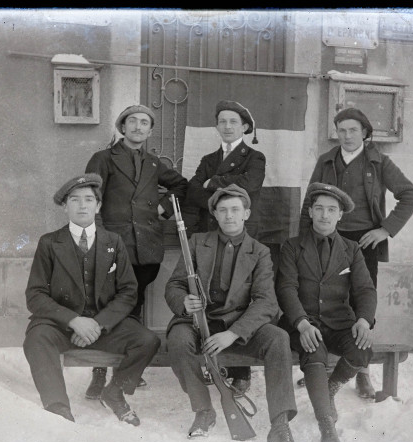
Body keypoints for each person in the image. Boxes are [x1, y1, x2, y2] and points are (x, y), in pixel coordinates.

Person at [164, 184, 301, 442]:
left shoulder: (260, 252)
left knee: (278, 338)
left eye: (235, 210)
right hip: (195, 323)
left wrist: (234, 333)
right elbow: (174, 285)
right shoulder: (195, 242)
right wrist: (183, 302)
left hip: (236, 326)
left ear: (246, 213)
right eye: (223, 210)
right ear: (214, 214)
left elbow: (266, 302)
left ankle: (280, 425)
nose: (229, 216)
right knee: (178, 341)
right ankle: (203, 411)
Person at [298, 107, 413, 398]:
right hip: (327, 238)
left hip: (364, 243)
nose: (347, 135)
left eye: (353, 130)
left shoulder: (379, 162)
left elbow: (411, 195)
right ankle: (324, 366)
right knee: (324, 299)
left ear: (365, 133)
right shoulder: (326, 161)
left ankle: (361, 372)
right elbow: (308, 204)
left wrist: (385, 230)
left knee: (360, 303)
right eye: (342, 130)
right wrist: (306, 240)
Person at [24, 173, 161, 425]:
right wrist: (73, 320)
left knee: (147, 340)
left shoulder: (113, 241)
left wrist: (97, 324)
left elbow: (129, 291)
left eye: (89, 199)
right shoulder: (49, 243)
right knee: (36, 338)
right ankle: (58, 410)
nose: (82, 205)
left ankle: (115, 391)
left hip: (104, 326)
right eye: (75, 200)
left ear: (98, 206)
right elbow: (35, 295)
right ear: (65, 207)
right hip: (62, 327)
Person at [84, 104, 188, 398]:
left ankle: (127, 369)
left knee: (135, 304)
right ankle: (99, 372)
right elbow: (91, 197)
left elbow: (181, 186)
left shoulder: (154, 164)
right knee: (108, 306)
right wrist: (99, 238)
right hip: (113, 247)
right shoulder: (103, 158)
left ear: (150, 131)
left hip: (146, 249)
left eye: (144, 123)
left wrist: (162, 208)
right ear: (122, 126)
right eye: (133, 122)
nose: (138, 127)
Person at [276, 183, 377, 442]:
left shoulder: (351, 249)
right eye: (319, 208)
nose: (324, 215)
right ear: (310, 211)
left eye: (331, 210)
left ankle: (332, 386)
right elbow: (286, 288)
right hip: (305, 322)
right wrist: (301, 322)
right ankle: (327, 427)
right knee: (313, 353)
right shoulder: (292, 247)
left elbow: (365, 289)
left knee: (362, 349)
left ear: (340, 215)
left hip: (340, 321)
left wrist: (364, 320)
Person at [184, 100, 266, 396]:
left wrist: (213, 182)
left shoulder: (255, 158)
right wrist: (209, 185)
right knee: (211, 295)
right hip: (210, 233)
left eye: (233, 121)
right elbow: (193, 192)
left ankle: (241, 372)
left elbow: (250, 186)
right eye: (222, 121)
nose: (227, 126)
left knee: (237, 297)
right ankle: (213, 361)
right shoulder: (208, 157)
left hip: (239, 235)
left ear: (245, 126)